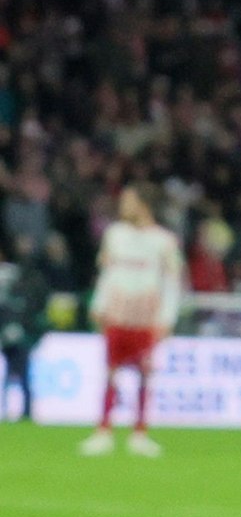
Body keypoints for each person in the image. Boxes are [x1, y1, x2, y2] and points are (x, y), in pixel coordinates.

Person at [79, 185, 183, 457]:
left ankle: (140, 433)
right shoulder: (115, 235)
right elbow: (106, 272)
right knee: (111, 371)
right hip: (118, 313)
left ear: (143, 205)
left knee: (145, 374)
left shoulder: (164, 241)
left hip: (146, 316)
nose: (123, 207)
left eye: (128, 201)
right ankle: (103, 431)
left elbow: (172, 283)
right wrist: (98, 304)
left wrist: (167, 317)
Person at [1, 239, 53, 421]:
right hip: (17, 334)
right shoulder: (23, 278)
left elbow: (34, 308)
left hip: (20, 334)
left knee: (17, 375)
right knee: (19, 375)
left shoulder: (22, 279)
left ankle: (21, 411)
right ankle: (20, 411)